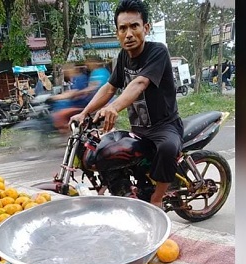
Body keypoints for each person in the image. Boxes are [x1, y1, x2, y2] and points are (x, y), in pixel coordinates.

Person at [70, 0, 183, 208]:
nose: (129, 33)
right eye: (123, 28)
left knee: (167, 148)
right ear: (117, 33)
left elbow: (139, 83)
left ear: (145, 28)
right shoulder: (123, 57)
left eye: (134, 26)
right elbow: (109, 88)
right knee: (111, 151)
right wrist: (85, 112)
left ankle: (156, 199)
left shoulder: (157, 52)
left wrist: (114, 107)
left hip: (164, 126)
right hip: (139, 128)